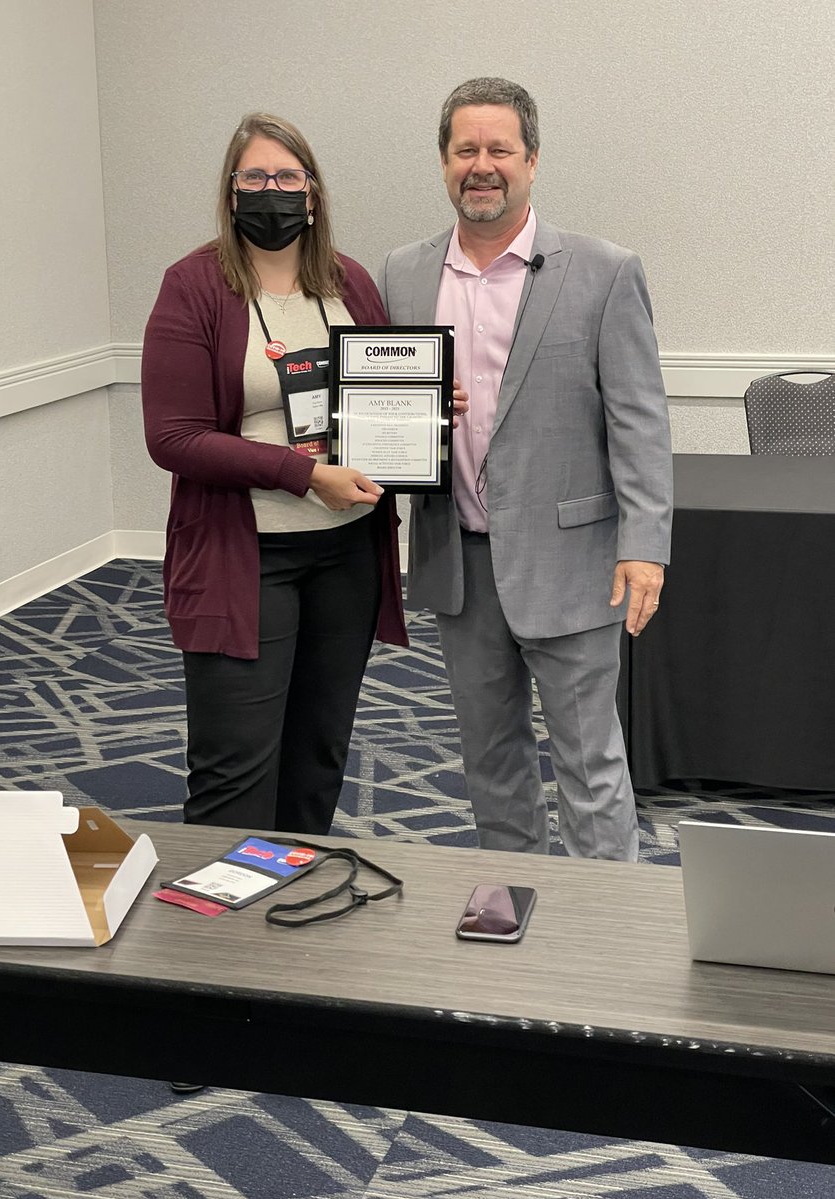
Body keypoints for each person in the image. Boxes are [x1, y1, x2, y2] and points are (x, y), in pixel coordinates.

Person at [379, 78, 673, 861]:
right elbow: (385, 407)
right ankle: (512, 906)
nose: (482, 165)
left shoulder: (604, 270)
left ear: (532, 160)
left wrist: (645, 546)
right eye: (465, 150)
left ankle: (603, 917)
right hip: (458, 563)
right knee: (490, 760)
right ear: (444, 162)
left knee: (589, 764)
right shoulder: (403, 273)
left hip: (572, 563)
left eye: (500, 149)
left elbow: (640, 419)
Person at [142, 112, 408, 840]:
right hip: (245, 556)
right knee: (234, 767)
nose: (272, 190)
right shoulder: (194, 285)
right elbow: (173, 437)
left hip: (348, 552)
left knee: (318, 755)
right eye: (255, 177)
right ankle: (218, 910)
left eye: (288, 177)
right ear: (231, 192)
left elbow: (381, 392)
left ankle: (294, 886)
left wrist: (426, 408)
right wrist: (301, 474)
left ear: (312, 192)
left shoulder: (347, 281)